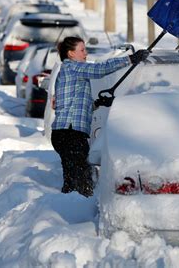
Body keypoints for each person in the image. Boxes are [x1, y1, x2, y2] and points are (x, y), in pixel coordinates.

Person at [51, 36, 149, 197]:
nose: (86, 54)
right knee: (81, 181)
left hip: (66, 133)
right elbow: (100, 70)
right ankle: (75, 211)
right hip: (69, 134)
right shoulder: (72, 68)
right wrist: (130, 59)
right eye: (82, 50)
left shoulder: (71, 71)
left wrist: (97, 104)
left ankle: (69, 208)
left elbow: (74, 104)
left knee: (73, 178)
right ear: (70, 54)